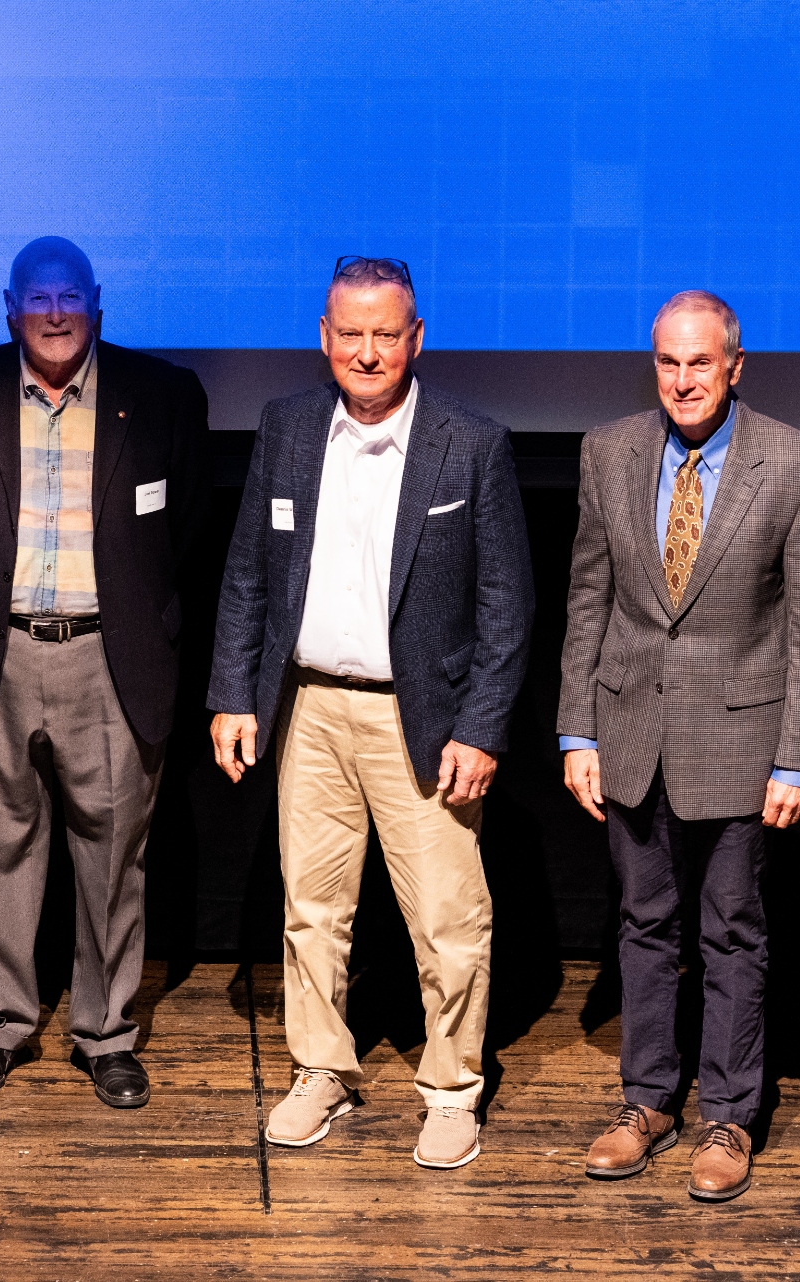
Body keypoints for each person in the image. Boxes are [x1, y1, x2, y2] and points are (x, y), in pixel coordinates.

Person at [207, 256, 533, 1169]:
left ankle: (451, 1089)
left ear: (416, 339)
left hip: (421, 721)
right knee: (311, 908)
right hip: (308, 708)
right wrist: (234, 693)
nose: (367, 350)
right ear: (324, 337)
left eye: (386, 333)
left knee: (446, 916)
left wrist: (482, 724)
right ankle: (321, 1072)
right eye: (349, 333)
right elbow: (245, 575)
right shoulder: (287, 427)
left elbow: (508, 604)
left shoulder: (471, 441)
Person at [0, 237, 210, 1108]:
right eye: (37, 299)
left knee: (114, 859)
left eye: (70, 297)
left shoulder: (160, 396)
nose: (54, 314)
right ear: (8, 307)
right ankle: (0, 1025)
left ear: (97, 306)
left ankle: (107, 1033)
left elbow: (183, 531)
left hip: (108, 657)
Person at [558, 290, 800, 1202]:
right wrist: (576, 730)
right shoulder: (609, 452)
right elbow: (588, 602)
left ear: (735, 365)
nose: (683, 380)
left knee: (730, 932)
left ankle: (727, 1113)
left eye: (701, 363)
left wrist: (796, 757)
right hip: (631, 730)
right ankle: (647, 1102)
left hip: (740, 743)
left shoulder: (797, 466)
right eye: (668, 363)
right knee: (642, 928)